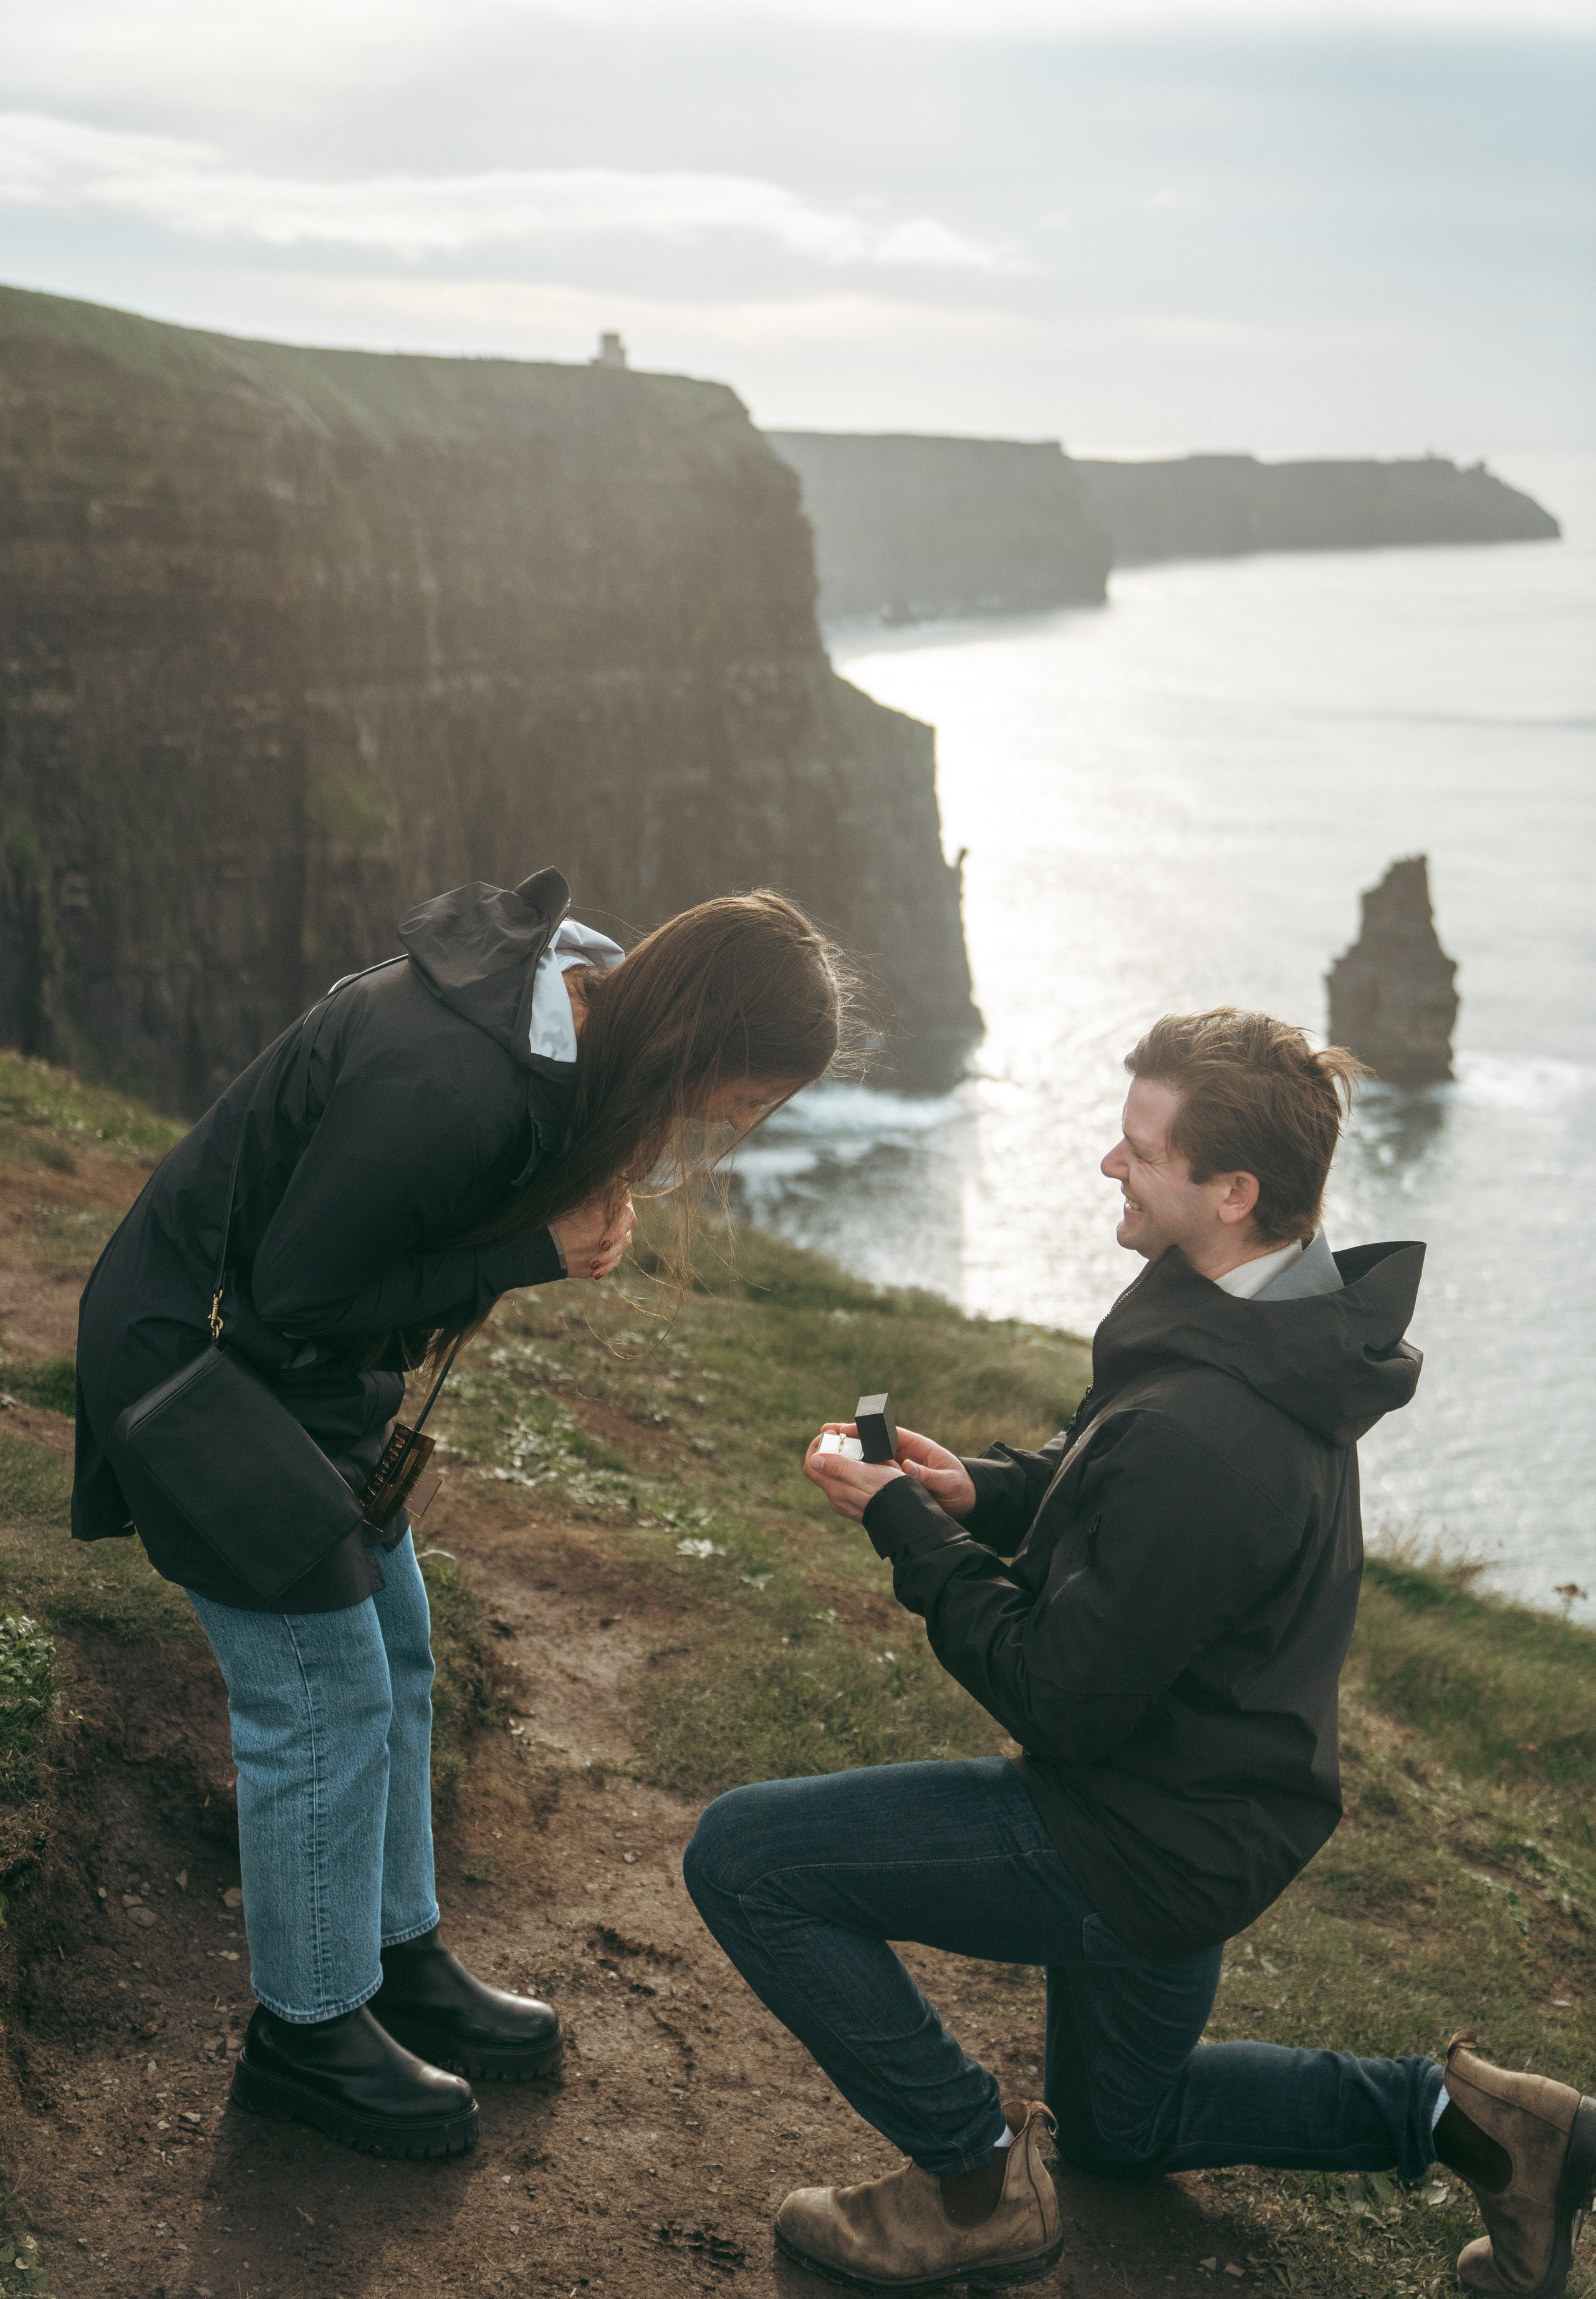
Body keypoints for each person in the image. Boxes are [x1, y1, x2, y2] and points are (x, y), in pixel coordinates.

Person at [686, 1009, 1596, 2298]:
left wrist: (895, 1525)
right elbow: (1120, 1490)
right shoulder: (1259, 1313)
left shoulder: (1217, 1431)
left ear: (1230, 1190)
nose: (1109, 1167)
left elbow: (1059, 1693)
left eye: (1137, 1151)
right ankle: (1476, 2129)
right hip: (1217, 1800)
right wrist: (985, 1496)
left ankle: (968, 2183)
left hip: (1138, 1837)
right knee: (1123, 2127)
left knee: (745, 1858)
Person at [74, 868, 850, 2160]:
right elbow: (301, 1292)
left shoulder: (573, 999)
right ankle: (305, 2036)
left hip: (304, 1386)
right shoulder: (455, 1080)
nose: (746, 1123)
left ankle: (392, 1953)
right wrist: (528, 1255)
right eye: (753, 1095)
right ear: (702, 1042)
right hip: (200, 1375)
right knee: (320, 1698)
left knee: (400, 1652)